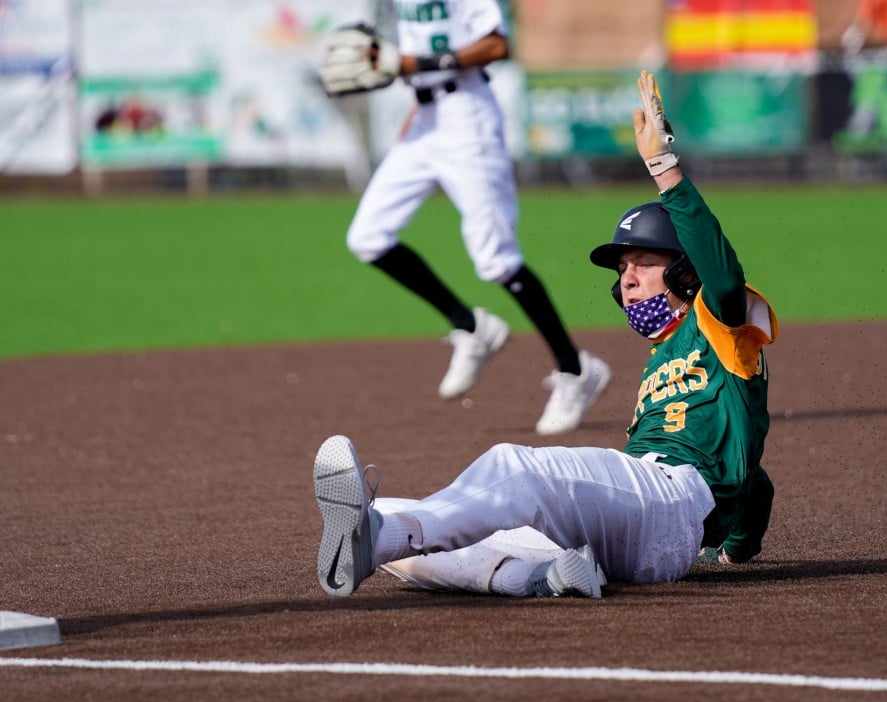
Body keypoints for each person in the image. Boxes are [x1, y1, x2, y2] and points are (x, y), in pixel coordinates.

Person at [312, 71, 779, 599]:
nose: (627, 278)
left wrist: (662, 166)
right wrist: (737, 546)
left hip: (670, 500)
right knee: (404, 512)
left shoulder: (717, 325)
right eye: (622, 268)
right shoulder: (659, 361)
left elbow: (721, 268)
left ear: (685, 273)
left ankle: (375, 539)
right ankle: (534, 577)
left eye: (645, 262)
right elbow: (754, 482)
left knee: (511, 467)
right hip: (638, 520)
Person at [345, 0, 610, 436]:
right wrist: (413, 95)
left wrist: (416, 62)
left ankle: (576, 369)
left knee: (496, 259)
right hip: (425, 118)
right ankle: (471, 326)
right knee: (368, 236)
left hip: (467, 117)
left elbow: (495, 45)